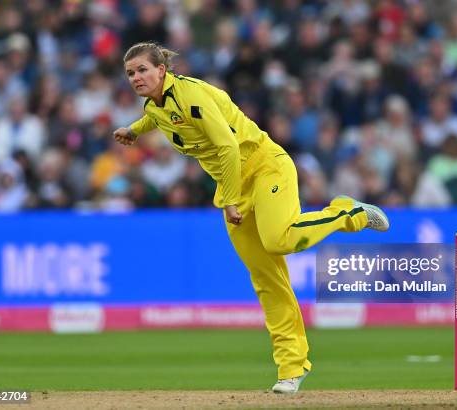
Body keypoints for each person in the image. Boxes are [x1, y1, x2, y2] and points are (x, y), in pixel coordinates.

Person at [113, 42, 390, 394]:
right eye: (131, 73)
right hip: (234, 185)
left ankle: (348, 213)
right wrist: (135, 130)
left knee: (280, 239)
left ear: (162, 70)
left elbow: (228, 147)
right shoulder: (155, 103)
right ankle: (292, 367)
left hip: (265, 166)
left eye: (142, 70)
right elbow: (157, 116)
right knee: (266, 279)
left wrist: (228, 201)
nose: (136, 77)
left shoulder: (191, 97)